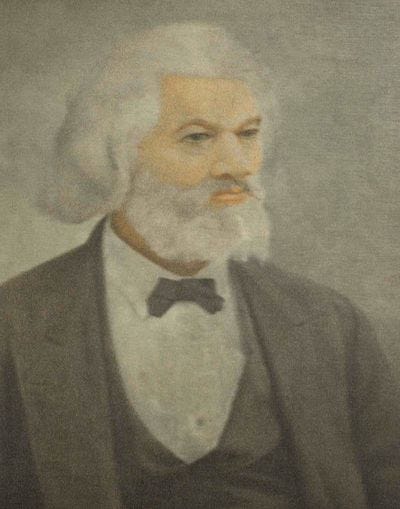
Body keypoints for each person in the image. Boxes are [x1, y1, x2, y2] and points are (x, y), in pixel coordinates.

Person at [0, 23, 399, 509]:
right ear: (118, 155)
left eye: (248, 134)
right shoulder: (16, 321)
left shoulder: (330, 323)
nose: (237, 164)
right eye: (197, 138)